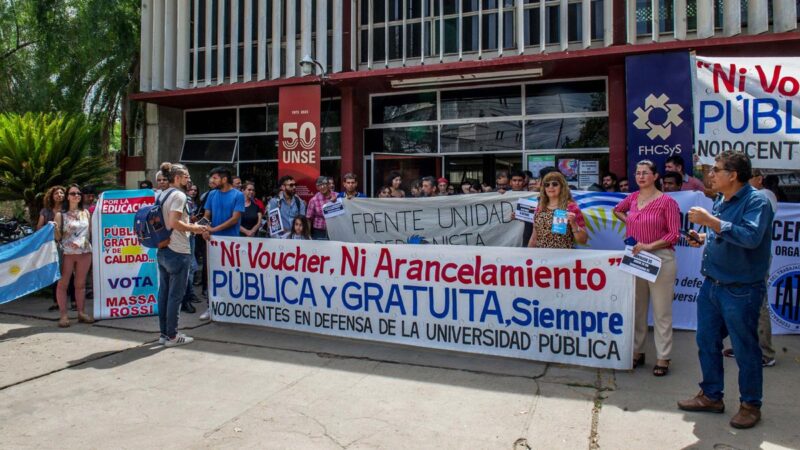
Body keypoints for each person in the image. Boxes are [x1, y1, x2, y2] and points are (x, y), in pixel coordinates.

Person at [679, 151, 774, 429]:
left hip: (741, 289)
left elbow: (751, 237)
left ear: (733, 175)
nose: (710, 174)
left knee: (745, 350)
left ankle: (750, 405)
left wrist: (712, 222)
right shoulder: (721, 199)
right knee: (706, 341)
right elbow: (725, 233)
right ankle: (711, 395)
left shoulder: (757, 201)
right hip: (712, 285)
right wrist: (705, 236)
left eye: (716, 170)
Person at [613, 160, 680, 377]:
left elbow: (673, 234)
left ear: (655, 175)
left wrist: (650, 245)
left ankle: (663, 356)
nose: (641, 176)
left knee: (661, 311)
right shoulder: (632, 198)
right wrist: (631, 225)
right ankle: (637, 351)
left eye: (645, 173)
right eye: (637, 172)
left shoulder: (666, 202)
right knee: (637, 308)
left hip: (660, 257)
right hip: (636, 257)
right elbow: (617, 210)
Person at [719, 168, 778, 367]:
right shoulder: (738, 198)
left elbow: (749, 231)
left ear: (759, 179)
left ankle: (765, 352)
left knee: (758, 304)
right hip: (739, 256)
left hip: (755, 258)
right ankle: (744, 346)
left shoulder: (763, 197)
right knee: (740, 304)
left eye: (748, 178)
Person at [155, 162, 207, 347]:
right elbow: (174, 222)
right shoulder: (178, 195)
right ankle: (172, 336)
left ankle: (164, 333)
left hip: (163, 249)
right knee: (175, 296)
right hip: (177, 250)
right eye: (186, 176)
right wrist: (195, 228)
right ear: (177, 178)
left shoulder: (162, 194)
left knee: (164, 294)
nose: (189, 179)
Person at [200, 167, 245, 320]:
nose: (212, 181)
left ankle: (232, 307)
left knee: (231, 275)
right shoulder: (212, 194)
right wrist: (203, 228)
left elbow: (235, 219)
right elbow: (206, 215)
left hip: (231, 242)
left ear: (224, 179)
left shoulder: (238, 195)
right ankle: (211, 306)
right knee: (211, 275)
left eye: (215, 178)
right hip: (212, 242)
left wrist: (213, 229)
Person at [54, 185, 94, 327]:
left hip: (85, 252)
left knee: (81, 284)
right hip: (67, 253)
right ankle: (63, 315)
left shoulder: (86, 213)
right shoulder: (60, 215)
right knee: (63, 284)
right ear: (67, 196)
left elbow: (89, 233)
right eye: (73, 193)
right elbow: (57, 237)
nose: (76, 195)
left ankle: (81, 312)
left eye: (78, 193)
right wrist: (55, 228)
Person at [527, 172, 588, 249]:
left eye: (555, 184)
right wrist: (528, 254)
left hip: (563, 257)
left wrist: (574, 224)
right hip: (541, 257)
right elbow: (534, 238)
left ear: (562, 187)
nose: (550, 187)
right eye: (547, 185)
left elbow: (583, 240)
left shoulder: (571, 207)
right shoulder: (540, 207)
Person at [39, 186, 66, 311]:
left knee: (69, 273)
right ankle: (56, 302)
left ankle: (74, 302)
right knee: (56, 273)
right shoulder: (45, 212)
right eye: (56, 193)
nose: (59, 195)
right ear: (51, 196)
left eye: (61, 193)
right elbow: (39, 228)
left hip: (67, 244)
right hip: (52, 245)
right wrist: (48, 227)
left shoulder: (68, 210)